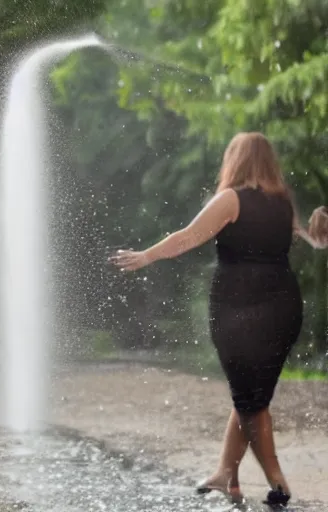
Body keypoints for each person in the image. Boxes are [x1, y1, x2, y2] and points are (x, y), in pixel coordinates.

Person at [110, 132, 319, 506]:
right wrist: (320, 231)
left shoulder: (231, 199)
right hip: (284, 307)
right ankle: (226, 473)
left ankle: (278, 481)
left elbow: (188, 238)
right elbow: (310, 239)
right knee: (251, 395)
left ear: (235, 160)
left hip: (239, 307)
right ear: (270, 161)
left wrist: (146, 256)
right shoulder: (283, 203)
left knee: (250, 399)